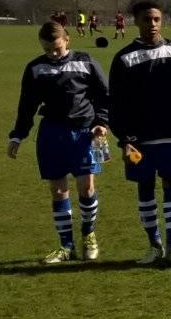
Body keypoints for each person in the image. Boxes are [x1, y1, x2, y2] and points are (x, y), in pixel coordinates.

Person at [109, 0, 171, 268]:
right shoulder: (124, 58)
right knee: (145, 188)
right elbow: (116, 102)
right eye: (146, 19)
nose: (152, 24)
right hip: (140, 138)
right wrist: (125, 139)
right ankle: (154, 246)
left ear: (162, 21)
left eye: (157, 19)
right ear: (135, 21)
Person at [7, 21, 109, 264]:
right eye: (47, 49)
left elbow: (105, 96)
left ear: (67, 40)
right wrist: (18, 135)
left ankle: (89, 236)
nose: (52, 54)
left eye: (56, 48)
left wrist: (102, 122)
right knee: (58, 190)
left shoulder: (86, 61)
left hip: (85, 133)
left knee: (87, 187)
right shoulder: (35, 68)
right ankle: (66, 246)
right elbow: (27, 105)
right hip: (52, 134)